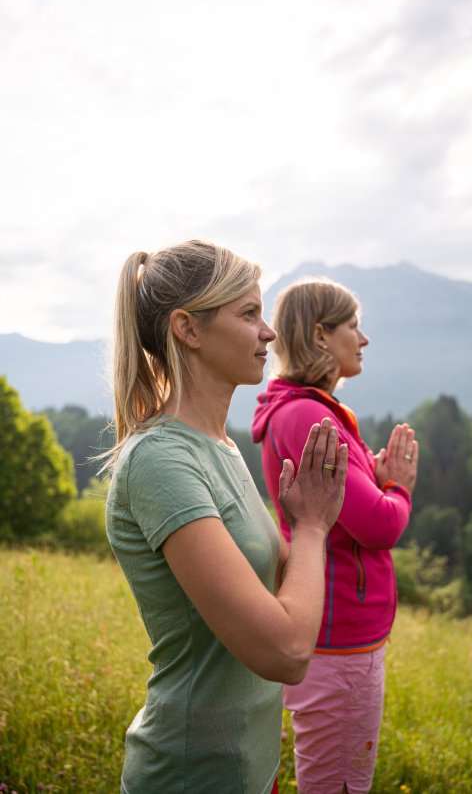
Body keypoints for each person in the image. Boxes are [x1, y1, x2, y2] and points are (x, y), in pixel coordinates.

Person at [104, 241, 348, 794]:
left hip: (246, 769)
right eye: (248, 314)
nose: (269, 333)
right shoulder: (160, 461)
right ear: (188, 328)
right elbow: (284, 651)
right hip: (190, 774)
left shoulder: (220, 446)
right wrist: (310, 527)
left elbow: (281, 588)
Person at [252, 277, 419, 794]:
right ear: (321, 335)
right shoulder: (308, 415)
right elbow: (378, 525)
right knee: (339, 783)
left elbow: (339, 497)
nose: (363, 338)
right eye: (353, 325)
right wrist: (400, 488)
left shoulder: (308, 410)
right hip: (340, 630)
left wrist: (370, 469)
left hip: (333, 623)